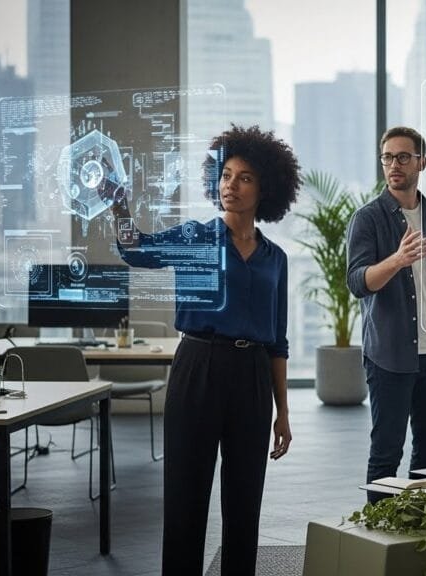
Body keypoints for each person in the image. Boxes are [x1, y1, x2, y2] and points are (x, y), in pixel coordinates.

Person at [101, 124, 298, 575]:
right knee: (186, 500)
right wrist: (118, 202)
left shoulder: (276, 259)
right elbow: (136, 250)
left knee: (245, 503)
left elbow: (278, 339)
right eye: (226, 175)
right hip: (198, 367)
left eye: (244, 177)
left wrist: (282, 411)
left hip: (252, 377)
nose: (232, 185)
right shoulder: (196, 238)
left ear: (265, 187)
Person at [346, 126, 426, 501]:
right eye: (387, 157)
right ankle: (380, 543)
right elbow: (356, 282)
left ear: (422, 162)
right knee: (386, 455)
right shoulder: (368, 218)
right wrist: (398, 260)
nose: (394, 165)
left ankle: (420, 532)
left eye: (403, 157)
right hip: (389, 357)